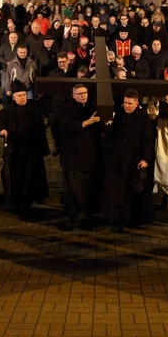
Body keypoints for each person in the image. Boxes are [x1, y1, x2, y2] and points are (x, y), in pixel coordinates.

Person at [0, 80, 50, 212]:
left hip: (33, 149)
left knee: (31, 176)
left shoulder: (34, 108)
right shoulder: (5, 112)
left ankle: (28, 201)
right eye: (19, 96)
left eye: (24, 95)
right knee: (18, 176)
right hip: (16, 150)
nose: (22, 98)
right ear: (13, 97)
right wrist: (2, 131)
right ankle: (19, 201)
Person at [104, 89, 155, 233]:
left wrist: (145, 159)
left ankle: (131, 220)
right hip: (117, 160)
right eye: (125, 103)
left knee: (130, 193)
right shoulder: (120, 115)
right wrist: (107, 125)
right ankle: (117, 221)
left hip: (133, 161)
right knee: (116, 192)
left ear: (137, 103)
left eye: (130, 103)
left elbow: (147, 140)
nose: (127, 106)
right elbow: (112, 135)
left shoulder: (143, 117)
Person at [57, 83, 104, 230]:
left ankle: (89, 214)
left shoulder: (92, 109)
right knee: (74, 189)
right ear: (73, 95)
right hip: (73, 157)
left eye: (85, 93)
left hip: (89, 156)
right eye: (79, 93)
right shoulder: (66, 110)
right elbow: (65, 126)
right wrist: (86, 123)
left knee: (89, 188)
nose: (83, 96)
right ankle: (73, 216)